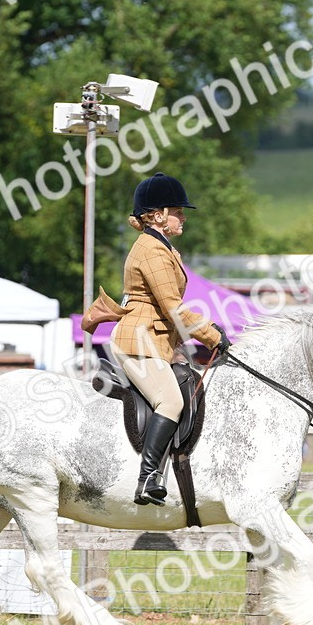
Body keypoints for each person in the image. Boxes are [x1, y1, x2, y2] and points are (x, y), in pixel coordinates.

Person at [85, 172, 228, 506]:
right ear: (159, 214)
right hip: (139, 342)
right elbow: (173, 308)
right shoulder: (152, 251)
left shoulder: (162, 247)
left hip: (155, 340)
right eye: (178, 211)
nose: (183, 217)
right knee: (171, 402)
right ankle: (148, 477)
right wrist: (211, 336)